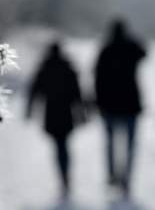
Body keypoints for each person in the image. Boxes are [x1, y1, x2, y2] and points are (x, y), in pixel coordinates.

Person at [95, 19, 146, 198]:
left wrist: (97, 103)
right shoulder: (131, 49)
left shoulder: (106, 50)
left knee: (110, 144)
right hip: (131, 105)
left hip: (109, 106)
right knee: (130, 146)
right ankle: (126, 180)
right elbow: (145, 52)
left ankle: (112, 176)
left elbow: (97, 79)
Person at [26, 42, 83, 199]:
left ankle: (63, 176)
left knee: (59, 147)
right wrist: (82, 114)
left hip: (51, 115)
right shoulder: (68, 69)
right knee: (64, 146)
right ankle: (65, 176)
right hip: (66, 115)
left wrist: (29, 110)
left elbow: (34, 92)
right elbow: (77, 94)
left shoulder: (44, 69)